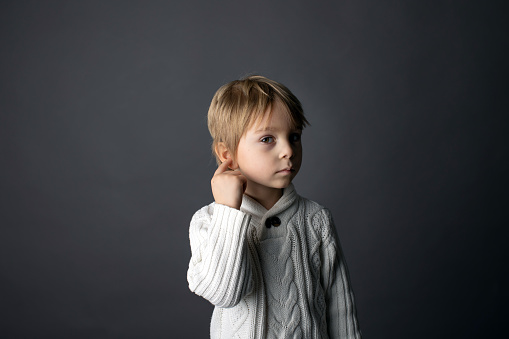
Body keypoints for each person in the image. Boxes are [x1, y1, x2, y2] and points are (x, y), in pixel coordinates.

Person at [187, 75, 361, 338]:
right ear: (227, 155)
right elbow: (223, 293)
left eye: (294, 136)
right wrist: (228, 211)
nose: (288, 150)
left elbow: (340, 308)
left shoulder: (316, 219)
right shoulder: (209, 220)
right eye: (268, 139)